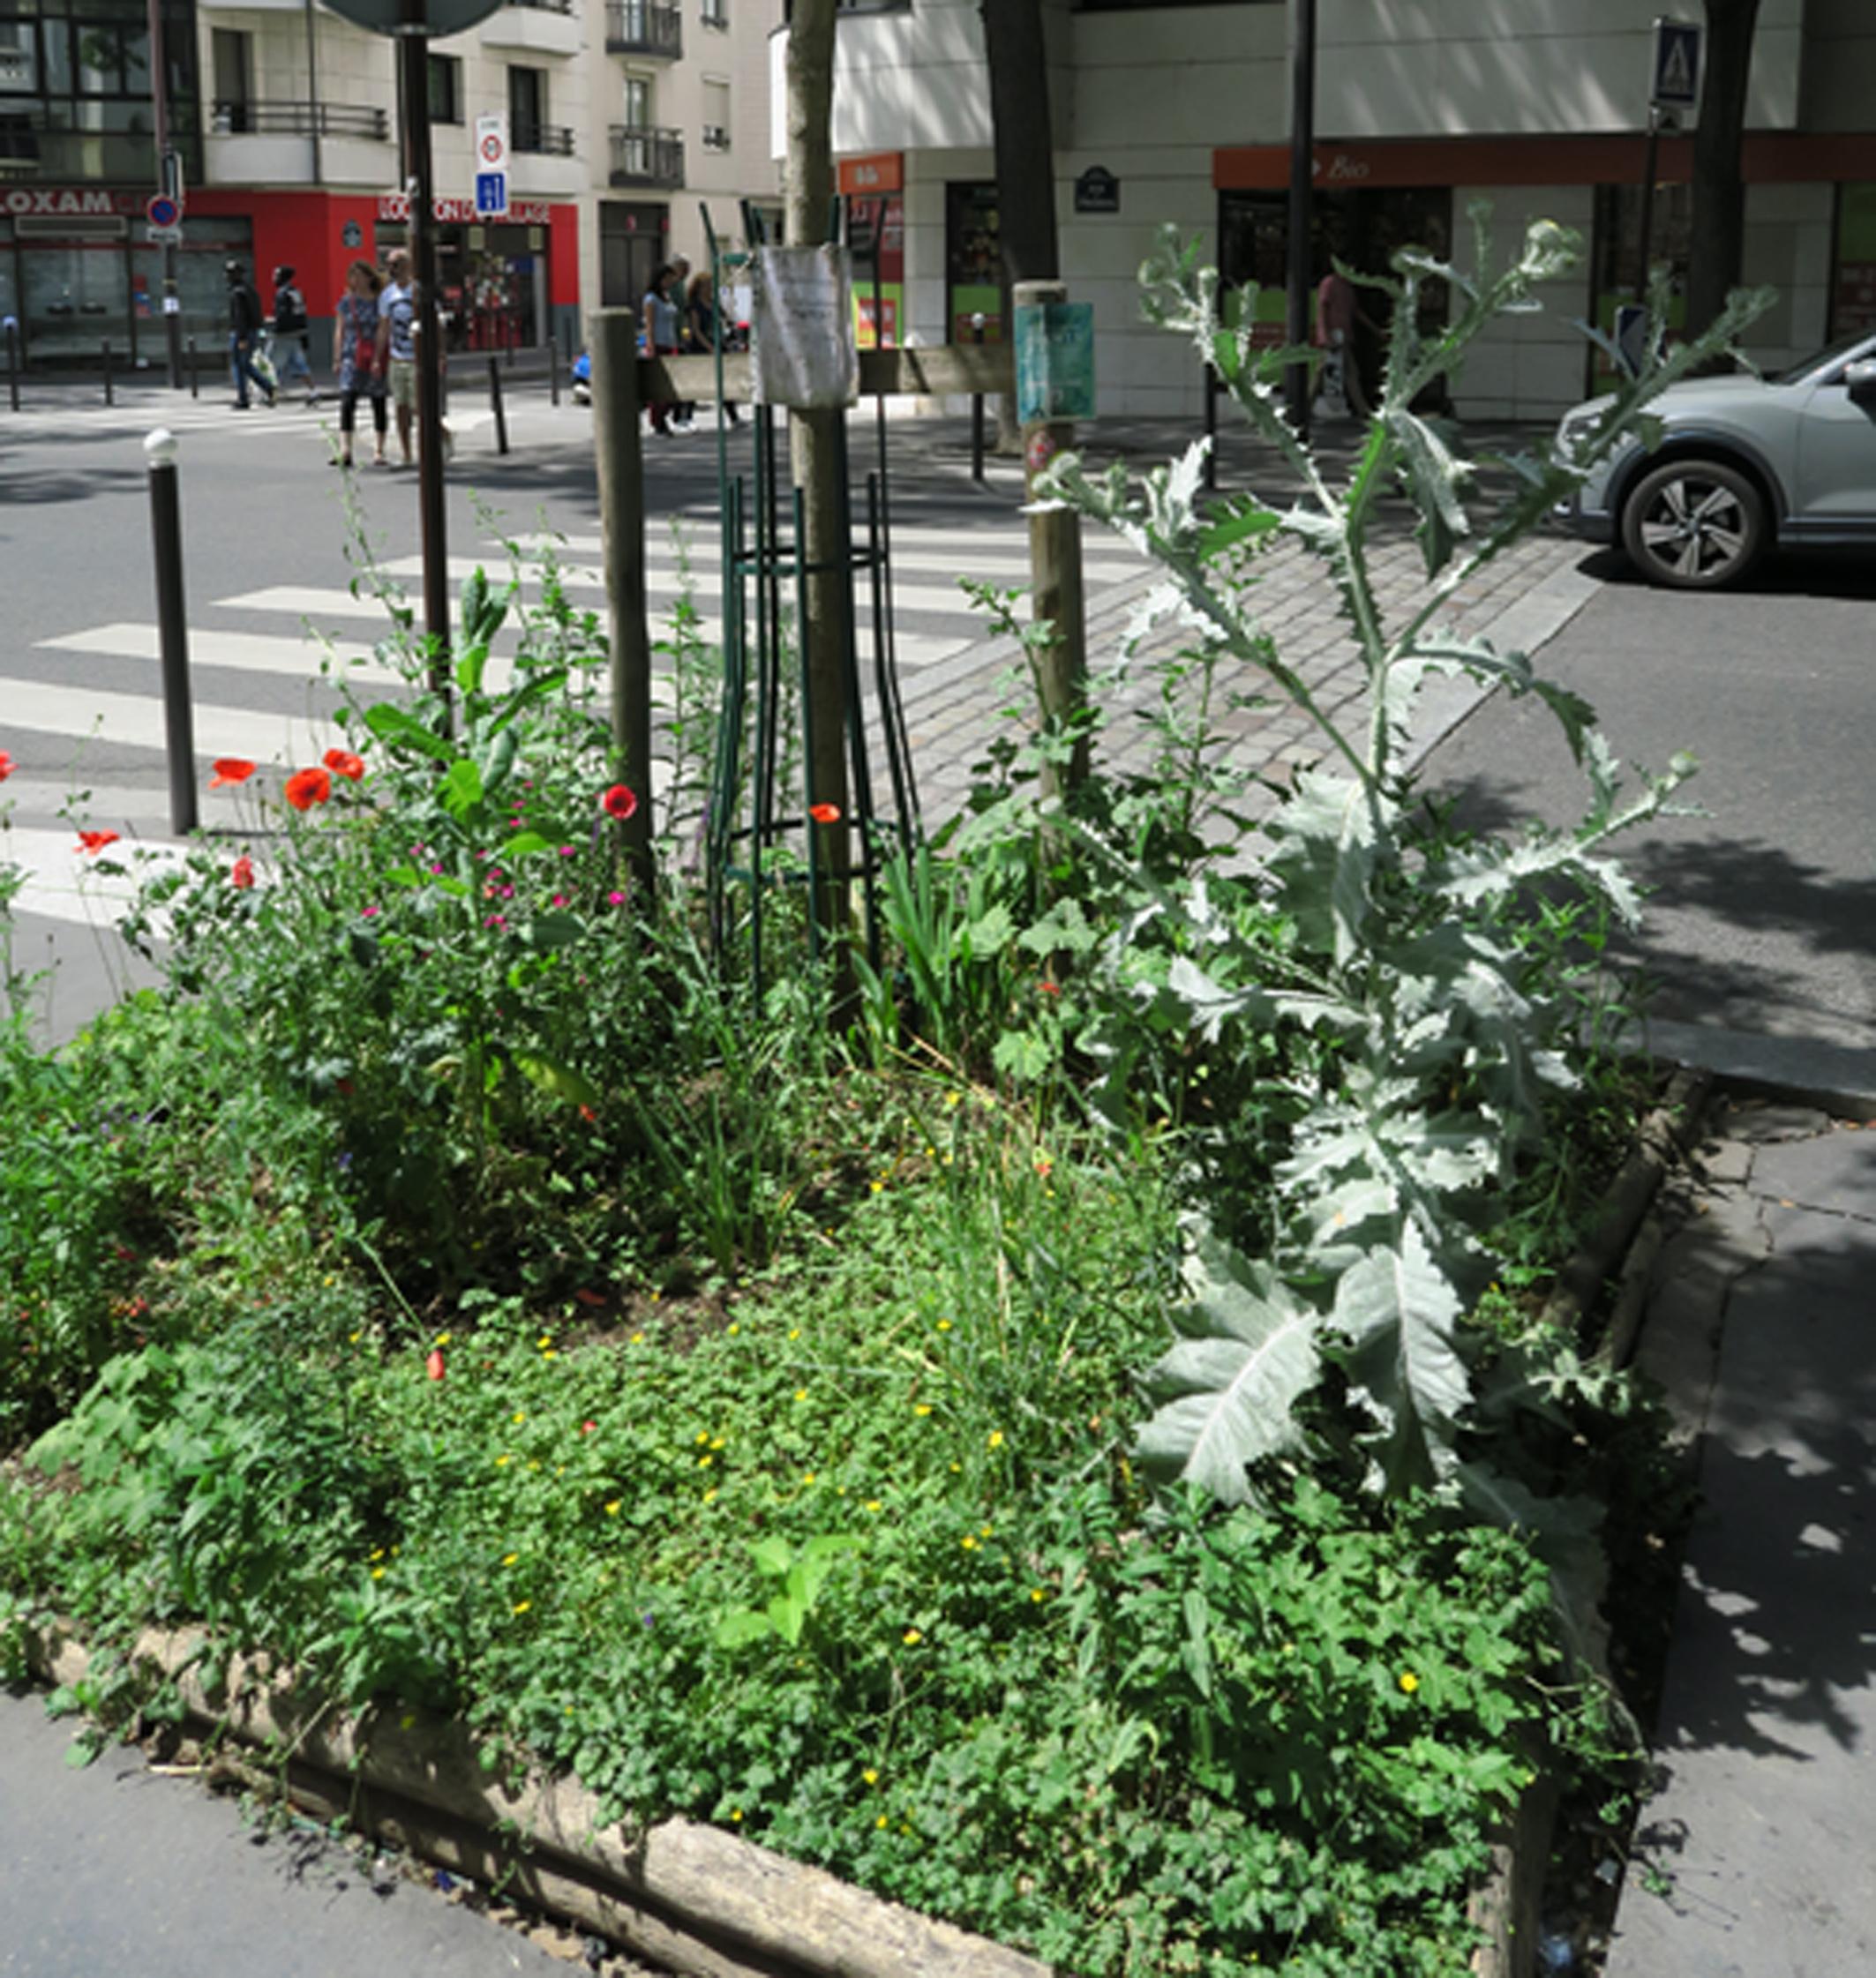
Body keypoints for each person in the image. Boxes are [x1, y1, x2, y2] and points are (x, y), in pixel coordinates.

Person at [333, 259, 388, 468]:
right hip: (351, 356)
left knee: (378, 402)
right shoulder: (347, 302)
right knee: (348, 401)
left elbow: (384, 329)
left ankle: (379, 450)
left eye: (359, 275)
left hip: (375, 355)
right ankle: (345, 449)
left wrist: (378, 357)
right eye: (352, 276)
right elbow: (340, 330)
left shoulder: (380, 302)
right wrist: (337, 358)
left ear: (369, 277)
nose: (355, 280)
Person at [1312, 267, 1374, 421]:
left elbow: (1355, 311)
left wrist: (1375, 329)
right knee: (1333, 372)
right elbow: (1322, 309)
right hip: (1333, 334)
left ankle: (1362, 409)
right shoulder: (1330, 283)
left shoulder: (1348, 286)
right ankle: (1363, 410)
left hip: (1344, 335)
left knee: (1341, 372)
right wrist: (1326, 336)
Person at [379, 247, 419, 466]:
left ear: (407, 265)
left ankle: (441, 435)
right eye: (388, 264)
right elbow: (384, 327)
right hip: (397, 358)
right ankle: (407, 453)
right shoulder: (388, 295)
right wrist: (378, 357)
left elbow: (436, 322)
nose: (390, 269)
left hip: (417, 359)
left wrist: (439, 355)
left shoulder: (418, 291)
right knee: (401, 408)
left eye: (395, 264)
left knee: (419, 408)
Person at [684, 267, 739, 427]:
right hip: (700, 347)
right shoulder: (695, 305)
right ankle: (686, 416)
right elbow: (696, 330)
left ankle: (733, 416)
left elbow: (724, 320)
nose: (709, 288)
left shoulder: (714, 303)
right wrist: (709, 347)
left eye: (711, 285)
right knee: (694, 382)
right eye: (707, 285)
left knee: (724, 382)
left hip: (717, 344)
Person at [641, 263, 683, 436]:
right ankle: (658, 420)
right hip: (658, 342)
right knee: (660, 385)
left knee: (674, 381)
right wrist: (651, 347)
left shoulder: (667, 296)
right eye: (667, 278)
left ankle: (666, 415)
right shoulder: (651, 299)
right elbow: (649, 325)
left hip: (670, 342)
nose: (669, 282)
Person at [225, 259, 273, 410]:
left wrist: (242, 337)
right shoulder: (250, 290)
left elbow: (240, 317)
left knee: (239, 366)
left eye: (229, 273)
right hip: (252, 332)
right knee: (245, 365)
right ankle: (267, 386)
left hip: (242, 333)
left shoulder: (237, 293)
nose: (227, 276)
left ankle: (243, 398)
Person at [269, 265, 316, 406]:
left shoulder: (281, 294)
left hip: (283, 334)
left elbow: (282, 315)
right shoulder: (296, 292)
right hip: (297, 333)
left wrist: (274, 327)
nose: (273, 278)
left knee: (270, 363)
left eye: (276, 276)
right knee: (300, 364)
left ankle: (271, 393)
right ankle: (313, 392)